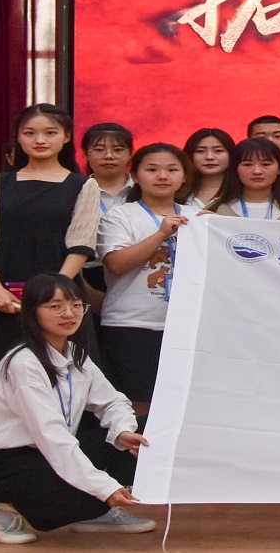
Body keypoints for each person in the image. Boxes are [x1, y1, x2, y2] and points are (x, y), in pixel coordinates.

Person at [0, 274, 154, 544]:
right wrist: (105, 488)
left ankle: (94, 510)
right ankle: (3, 504)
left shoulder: (75, 353)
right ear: (32, 312)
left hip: (44, 452)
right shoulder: (24, 364)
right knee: (90, 493)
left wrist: (122, 430)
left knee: (147, 435)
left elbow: (113, 401)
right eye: (55, 306)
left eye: (76, 305)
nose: (69, 313)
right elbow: (52, 437)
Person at [0, 104, 103, 411]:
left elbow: (80, 245)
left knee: (59, 386)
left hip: (60, 295)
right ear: (18, 138)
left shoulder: (84, 185)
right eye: (29, 133)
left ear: (66, 137)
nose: (39, 140)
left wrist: (53, 295)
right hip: (0, 294)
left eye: (50, 133)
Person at [96, 144, 199, 424]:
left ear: (184, 177)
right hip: (131, 323)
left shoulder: (198, 216)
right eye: (152, 169)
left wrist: (215, 229)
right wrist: (162, 233)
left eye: (172, 169)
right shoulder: (121, 215)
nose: (162, 176)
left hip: (185, 325)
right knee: (137, 404)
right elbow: (117, 263)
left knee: (182, 403)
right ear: (135, 175)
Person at [78, 123, 133, 307]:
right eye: (99, 150)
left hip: (138, 273)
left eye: (118, 149)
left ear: (130, 153)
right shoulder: (75, 191)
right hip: (89, 276)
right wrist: (85, 290)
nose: (109, 156)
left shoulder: (145, 190)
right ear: (85, 153)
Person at [213, 137, 280, 219]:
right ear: (235, 168)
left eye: (266, 164)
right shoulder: (218, 207)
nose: (257, 171)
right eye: (248, 164)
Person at [182, 128, 236, 208]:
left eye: (218, 150)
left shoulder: (242, 193)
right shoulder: (176, 192)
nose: (209, 157)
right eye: (200, 151)